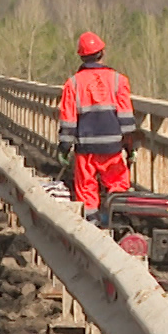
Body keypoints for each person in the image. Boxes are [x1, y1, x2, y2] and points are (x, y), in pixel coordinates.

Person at [58, 31, 137, 223]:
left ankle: (92, 228)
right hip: (113, 148)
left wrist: (63, 148)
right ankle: (118, 226)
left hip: (86, 149)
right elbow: (127, 119)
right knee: (118, 186)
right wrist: (130, 147)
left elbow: (68, 122)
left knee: (86, 190)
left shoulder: (73, 83)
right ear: (102, 53)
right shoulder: (119, 81)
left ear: (81, 55)